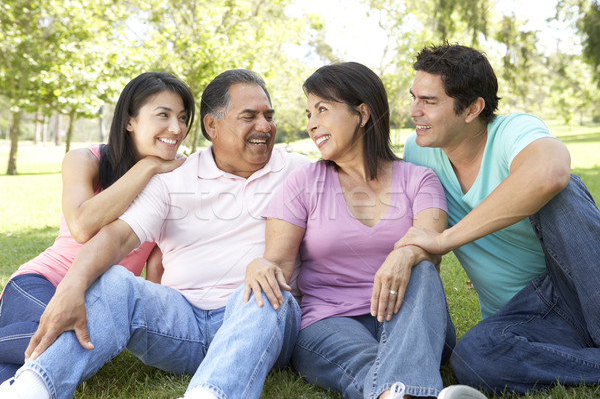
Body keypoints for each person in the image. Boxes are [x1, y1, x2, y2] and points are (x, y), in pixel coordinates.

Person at [0, 69, 309, 399]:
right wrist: (73, 285)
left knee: (264, 290)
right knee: (116, 280)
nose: (264, 126)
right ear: (212, 126)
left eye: (268, 116)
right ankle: (33, 387)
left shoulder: (298, 171)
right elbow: (115, 237)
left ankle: (208, 394)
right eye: (249, 116)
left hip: (255, 320)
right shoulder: (172, 175)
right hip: (182, 324)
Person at [243, 62, 456, 399]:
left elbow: (430, 246)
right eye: (309, 113)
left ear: (362, 113)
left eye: (323, 109)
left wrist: (406, 254)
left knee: (422, 270)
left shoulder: (420, 180)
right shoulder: (302, 184)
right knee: (365, 361)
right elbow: (278, 266)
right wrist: (259, 265)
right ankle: (402, 391)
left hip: (409, 319)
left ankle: (397, 388)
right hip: (330, 320)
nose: (311, 123)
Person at [398, 43, 600, 395]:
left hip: (578, 285)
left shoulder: (512, 131)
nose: (414, 111)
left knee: (561, 193)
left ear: (473, 108)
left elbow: (550, 172)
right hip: (524, 317)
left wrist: (447, 239)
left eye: (428, 101)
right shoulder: (417, 151)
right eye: (414, 97)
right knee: (474, 358)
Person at [0, 71, 194, 382]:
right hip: (43, 282)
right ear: (129, 120)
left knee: (30, 367)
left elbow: (159, 263)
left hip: (99, 301)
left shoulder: (174, 181)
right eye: (163, 115)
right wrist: (148, 167)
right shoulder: (85, 159)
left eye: (182, 118)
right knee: (60, 342)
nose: (176, 128)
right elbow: (81, 225)